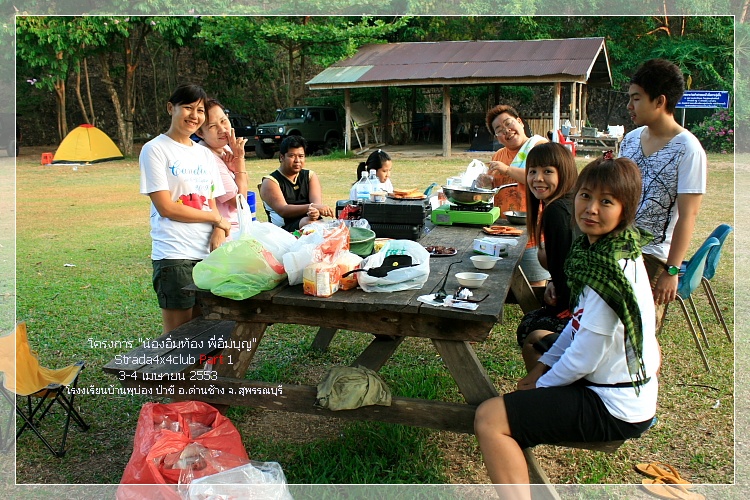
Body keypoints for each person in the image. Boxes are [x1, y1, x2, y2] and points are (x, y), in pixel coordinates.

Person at [474, 154, 660, 500]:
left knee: (489, 418)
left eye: (607, 201)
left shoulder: (610, 273)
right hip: (615, 387)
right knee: (539, 340)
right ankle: (531, 421)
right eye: (586, 196)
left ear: (625, 210)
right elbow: (576, 326)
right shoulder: (602, 253)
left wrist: (541, 385)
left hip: (613, 404)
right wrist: (541, 368)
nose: (591, 209)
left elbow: (585, 355)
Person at [620, 58, 707, 330]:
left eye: (636, 98)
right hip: (617, 246)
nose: (629, 106)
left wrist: (672, 270)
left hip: (653, 255)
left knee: (641, 330)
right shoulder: (630, 140)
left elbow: (688, 216)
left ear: (660, 101)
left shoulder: (688, 149)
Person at [139, 84, 230, 334]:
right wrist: (216, 219)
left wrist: (218, 229)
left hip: (207, 254)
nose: (194, 115)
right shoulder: (155, 149)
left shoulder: (204, 155)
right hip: (175, 254)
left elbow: (211, 202)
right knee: (178, 336)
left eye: (200, 111)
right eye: (188, 108)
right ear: (171, 108)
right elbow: (166, 207)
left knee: (205, 330)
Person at [515, 142, 579, 370]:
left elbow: (568, 269)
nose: (537, 178)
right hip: (579, 302)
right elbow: (566, 265)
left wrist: (563, 302)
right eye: (532, 171)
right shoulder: (568, 203)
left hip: (581, 312)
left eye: (547, 171)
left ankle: (550, 384)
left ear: (565, 173)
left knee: (530, 327)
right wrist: (553, 281)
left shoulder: (556, 211)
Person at [484, 105, 549, 286]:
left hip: (532, 233)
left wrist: (507, 169)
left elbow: (541, 179)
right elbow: (495, 187)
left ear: (520, 122)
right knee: (500, 285)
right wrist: (486, 182)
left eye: (508, 123)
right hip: (502, 232)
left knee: (535, 286)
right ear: (497, 137)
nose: (506, 130)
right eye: (499, 130)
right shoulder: (499, 155)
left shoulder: (539, 147)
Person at [195, 98, 249, 243]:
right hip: (225, 233)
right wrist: (239, 160)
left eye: (223, 121)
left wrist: (235, 167)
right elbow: (240, 202)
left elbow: (243, 183)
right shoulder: (207, 157)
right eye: (212, 126)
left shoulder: (224, 148)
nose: (222, 129)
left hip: (237, 227)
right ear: (200, 133)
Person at [260, 135, 333, 232]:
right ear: (282, 157)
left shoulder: (310, 176)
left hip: (310, 221)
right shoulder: (270, 181)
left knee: (332, 227)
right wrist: (311, 207)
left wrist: (314, 212)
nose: (297, 160)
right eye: (292, 156)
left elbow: (316, 205)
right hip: (284, 230)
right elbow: (283, 210)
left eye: (301, 156)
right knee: (310, 224)